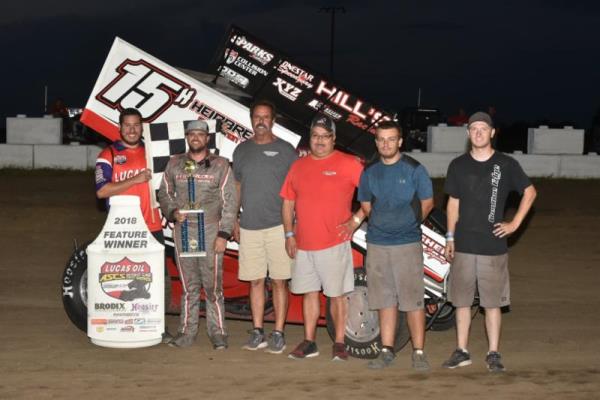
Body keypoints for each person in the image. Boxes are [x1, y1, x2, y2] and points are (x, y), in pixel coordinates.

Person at [442, 111, 537, 372]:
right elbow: (453, 203)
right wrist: (450, 236)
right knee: (460, 301)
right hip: (462, 245)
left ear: (493, 132)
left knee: (492, 303)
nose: (479, 132)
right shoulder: (458, 165)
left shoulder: (506, 164)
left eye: (484, 128)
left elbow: (529, 192)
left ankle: (493, 352)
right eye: (474, 129)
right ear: (468, 133)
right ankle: (462, 351)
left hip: (492, 247)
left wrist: (514, 224)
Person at [280, 114, 364, 361]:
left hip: (334, 243)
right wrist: (289, 234)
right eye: (315, 136)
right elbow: (287, 202)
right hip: (303, 244)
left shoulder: (349, 163)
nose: (319, 141)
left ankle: (339, 342)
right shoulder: (298, 165)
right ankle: (309, 341)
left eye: (325, 136)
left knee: (336, 295)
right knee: (309, 293)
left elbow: (372, 196)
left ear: (334, 139)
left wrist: (355, 221)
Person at [357, 120, 434, 371]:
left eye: (391, 139)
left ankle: (419, 352)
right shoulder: (370, 172)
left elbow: (427, 203)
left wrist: (407, 225)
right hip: (378, 245)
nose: (386, 144)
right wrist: (381, 225)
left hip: (407, 244)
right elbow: (366, 204)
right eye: (381, 139)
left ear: (400, 141)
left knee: (412, 300)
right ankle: (386, 350)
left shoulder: (414, 169)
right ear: (376, 142)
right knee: (384, 299)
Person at [157, 120, 237, 349]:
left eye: (200, 134)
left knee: (213, 287)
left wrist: (223, 233)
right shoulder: (174, 164)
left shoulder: (220, 165)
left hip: (211, 231)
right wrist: (172, 211)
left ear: (207, 138)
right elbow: (164, 193)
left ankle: (218, 333)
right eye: (192, 134)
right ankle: (186, 333)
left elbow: (230, 202)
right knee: (189, 287)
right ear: (186, 136)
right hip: (184, 232)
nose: (196, 138)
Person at [95, 108, 172, 343]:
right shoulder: (107, 154)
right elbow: (102, 191)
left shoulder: (153, 151)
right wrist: (134, 179)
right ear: (120, 127)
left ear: (142, 127)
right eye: (127, 125)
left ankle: (157, 326)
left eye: (136, 125)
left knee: (157, 279)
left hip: (152, 225)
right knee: (122, 277)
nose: (131, 130)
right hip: (121, 228)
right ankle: (122, 326)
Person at [232, 100, 297, 354]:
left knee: (280, 282)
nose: (261, 121)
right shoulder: (241, 151)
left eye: (266, 117)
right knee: (255, 281)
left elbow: (296, 191)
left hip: (279, 227)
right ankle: (257, 331)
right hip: (249, 226)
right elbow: (237, 186)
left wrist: (293, 227)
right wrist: (234, 218)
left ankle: (278, 332)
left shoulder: (286, 150)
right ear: (251, 120)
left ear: (273, 120)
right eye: (257, 117)